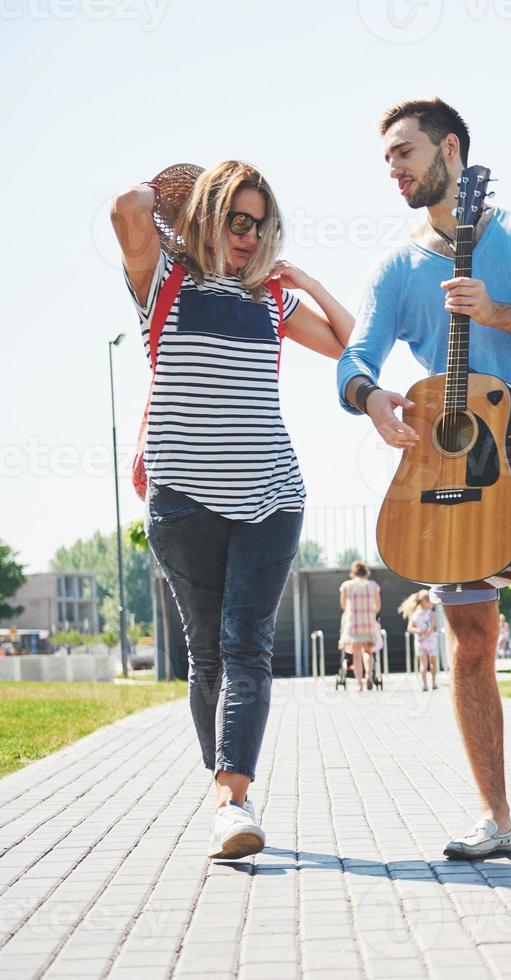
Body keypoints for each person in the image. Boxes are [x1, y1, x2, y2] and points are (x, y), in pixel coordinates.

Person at [338, 99, 511, 859]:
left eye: (404, 151)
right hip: (447, 471)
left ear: (451, 148)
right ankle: (497, 816)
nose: (394, 168)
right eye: (386, 157)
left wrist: (500, 311)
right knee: (471, 640)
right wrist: (373, 398)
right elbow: (355, 358)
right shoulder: (395, 266)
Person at [111, 160, 355, 860]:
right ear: (207, 219)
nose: (247, 236)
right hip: (184, 501)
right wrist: (187, 196)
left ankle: (233, 800)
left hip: (269, 498)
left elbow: (349, 344)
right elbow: (126, 211)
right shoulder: (165, 282)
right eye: (234, 220)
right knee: (208, 655)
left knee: (246, 647)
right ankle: (225, 785)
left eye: (259, 223)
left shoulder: (270, 299)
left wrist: (304, 282)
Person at [340, 562, 381, 692]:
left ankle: (358, 683)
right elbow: (378, 605)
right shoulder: (373, 585)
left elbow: (343, 605)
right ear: (366, 572)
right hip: (368, 622)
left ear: (354, 572)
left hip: (353, 623)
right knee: (368, 651)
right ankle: (369, 676)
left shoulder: (347, 585)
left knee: (356, 654)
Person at [401, 589, 439, 690]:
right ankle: (433, 683)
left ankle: (425, 684)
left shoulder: (414, 614)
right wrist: (426, 634)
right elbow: (433, 626)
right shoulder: (431, 613)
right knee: (433, 663)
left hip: (420, 641)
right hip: (431, 640)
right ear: (424, 601)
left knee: (423, 663)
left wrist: (418, 631)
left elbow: (410, 628)